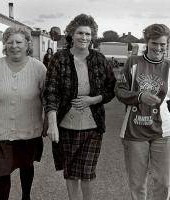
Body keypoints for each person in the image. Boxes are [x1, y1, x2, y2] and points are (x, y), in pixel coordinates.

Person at [43, 14, 116, 200]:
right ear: (71, 34)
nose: (84, 37)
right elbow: (51, 92)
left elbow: (111, 89)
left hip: (93, 126)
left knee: (88, 172)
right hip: (65, 126)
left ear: (92, 36)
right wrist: (51, 123)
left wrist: (93, 100)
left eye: (88, 34)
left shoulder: (99, 59)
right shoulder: (59, 59)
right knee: (71, 171)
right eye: (80, 33)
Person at [0, 26, 47, 200]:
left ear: (27, 44)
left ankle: (26, 196)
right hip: (0, 131)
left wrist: (47, 124)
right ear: (4, 44)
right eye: (10, 42)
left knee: (26, 166)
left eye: (18, 42)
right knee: (1, 171)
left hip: (30, 130)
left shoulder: (39, 68)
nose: (14, 46)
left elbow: (48, 100)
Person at [115, 24, 170, 200]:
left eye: (162, 44)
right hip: (134, 130)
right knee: (137, 183)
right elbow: (120, 91)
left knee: (165, 181)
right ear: (147, 42)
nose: (158, 48)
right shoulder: (133, 63)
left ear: (167, 45)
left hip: (163, 131)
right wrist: (139, 96)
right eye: (154, 43)